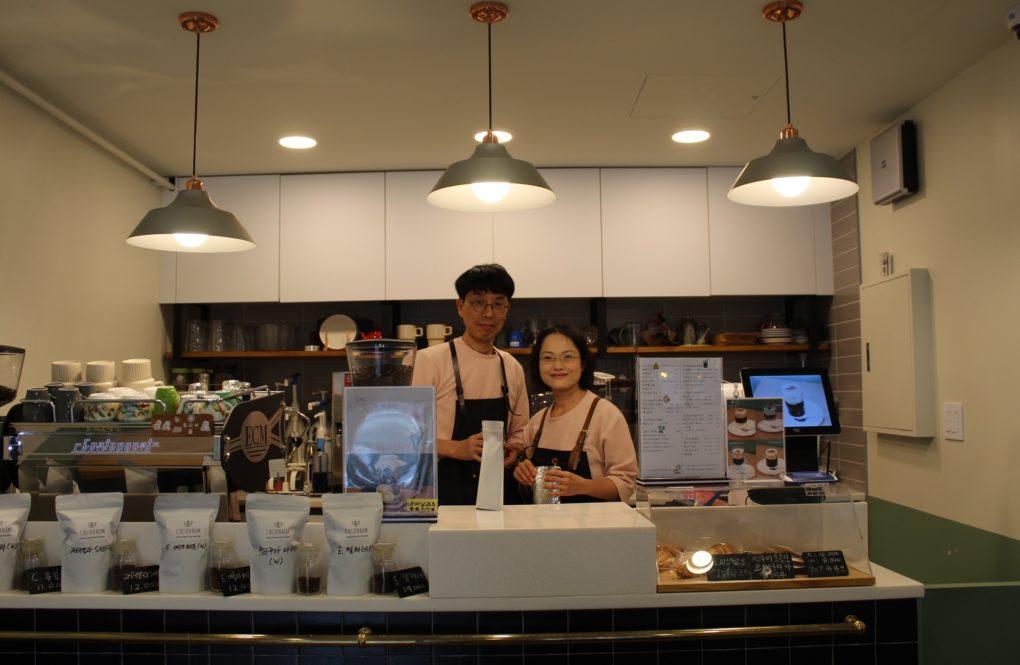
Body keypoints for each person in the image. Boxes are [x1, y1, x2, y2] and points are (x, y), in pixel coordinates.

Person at [412, 264, 529, 505]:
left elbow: (520, 431)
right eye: (478, 302)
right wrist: (457, 448)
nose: (488, 314)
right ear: (460, 306)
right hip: (444, 495)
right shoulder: (430, 360)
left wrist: (514, 449)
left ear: (507, 309)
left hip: (501, 493)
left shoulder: (512, 366)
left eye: (498, 304)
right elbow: (408, 436)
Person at [513, 325, 638, 502]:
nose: (557, 366)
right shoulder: (536, 423)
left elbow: (625, 484)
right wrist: (522, 472)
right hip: (542, 527)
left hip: (592, 528)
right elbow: (527, 480)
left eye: (568, 357)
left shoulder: (606, 416)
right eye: (548, 358)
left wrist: (583, 486)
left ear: (583, 364)